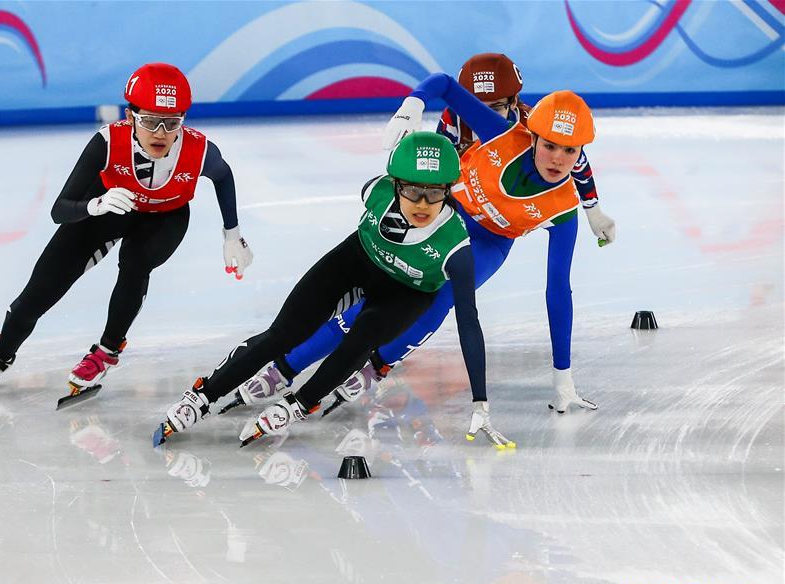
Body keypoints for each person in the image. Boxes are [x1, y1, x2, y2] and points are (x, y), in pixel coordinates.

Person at [235, 56, 616, 420]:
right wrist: (412, 105)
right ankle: (286, 366)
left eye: (569, 151)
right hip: (446, 215)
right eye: (549, 145)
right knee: (378, 291)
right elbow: (445, 85)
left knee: (435, 302)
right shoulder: (503, 135)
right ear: (533, 138)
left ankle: (376, 365)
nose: (557, 159)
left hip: (488, 243)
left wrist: (562, 375)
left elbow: (557, 291)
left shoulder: (563, 209)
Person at [153, 131, 512, 448]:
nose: (422, 204)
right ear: (396, 183)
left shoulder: (455, 248)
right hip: (357, 260)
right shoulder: (375, 191)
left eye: (434, 194)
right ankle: (202, 395)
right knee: (283, 335)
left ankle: (300, 402)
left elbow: (469, 320)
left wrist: (480, 399)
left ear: (448, 191)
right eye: (413, 191)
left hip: (406, 293)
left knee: (363, 337)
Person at [0, 63, 252, 398]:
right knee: (41, 288)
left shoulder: (199, 150)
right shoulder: (107, 142)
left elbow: (223, 176)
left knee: (135, 262)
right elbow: (60, 210)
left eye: (171, 122)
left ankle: (106, 351)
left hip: (165, 218)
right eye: (149, 121)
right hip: (109, 210)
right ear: (131, 117)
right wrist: (95, 206)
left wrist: (232, 235)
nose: (160, 132)